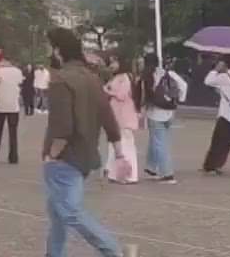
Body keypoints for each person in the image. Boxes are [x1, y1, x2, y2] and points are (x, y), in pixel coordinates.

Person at [41, 27, 126, 257]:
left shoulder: (60, 80)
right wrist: (119, 152)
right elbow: (108, 117)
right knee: (58, 212)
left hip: (65, 156)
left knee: (69, 211)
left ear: (58, 50)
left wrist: (51, 155)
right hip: (86, 154)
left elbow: (62, 127)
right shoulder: (92, 78)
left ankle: (112, 249)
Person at [139, 53, 186, 183]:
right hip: (169, 112)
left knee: (160, 144)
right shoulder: (168, 73)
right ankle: (151, 167)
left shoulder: (147, 76)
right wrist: (178, 100)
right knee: (158, 141)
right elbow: (184, 86)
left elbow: (143, 96)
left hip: (155, 113)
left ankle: (167, 174)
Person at [102, 55, 140, 184]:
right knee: (117, 146)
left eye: (114, 62)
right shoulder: (116, 78)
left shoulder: (124, 78)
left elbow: (122, 95)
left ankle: (130, 175)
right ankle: (115, 174)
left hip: (125, 117)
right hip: (117, 117)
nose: (111, 65)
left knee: (126, 146)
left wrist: (108, 92)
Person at [0, 56, 24, 164]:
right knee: (13, 132)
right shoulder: (18, 71)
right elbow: (20, 83)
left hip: (1, 105)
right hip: (14, 106)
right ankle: (13, 156)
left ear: (4, 61)